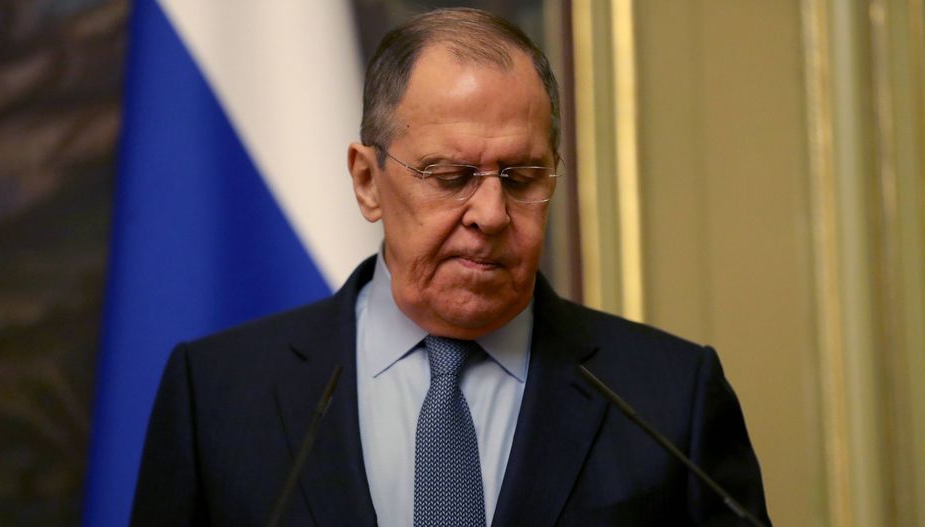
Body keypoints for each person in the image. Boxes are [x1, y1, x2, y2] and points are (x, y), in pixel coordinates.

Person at [132, 8, 771, 526]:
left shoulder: (667, 399)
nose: (491, 213)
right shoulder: (217, 396)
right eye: (450, 176)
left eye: (522, 178)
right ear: (366, 181)